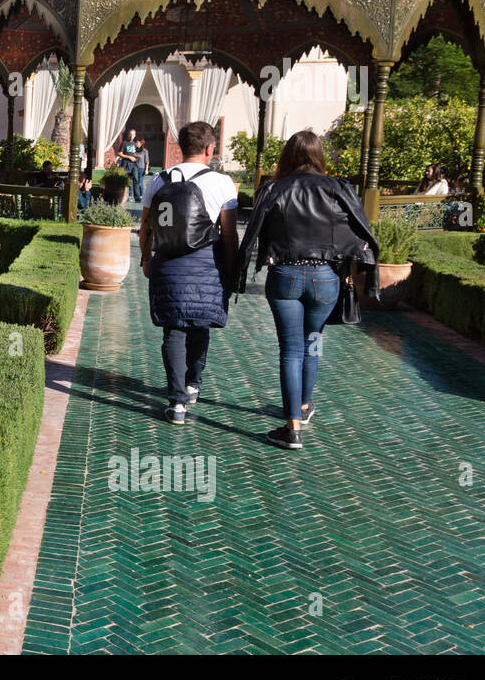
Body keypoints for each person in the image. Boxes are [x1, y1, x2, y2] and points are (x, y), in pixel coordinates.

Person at [234, 130, 379, 451]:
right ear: (319, 156)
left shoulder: (272, 189)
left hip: (285, 274)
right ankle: (303, 406)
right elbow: (357, 232)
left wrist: (237, 274)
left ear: (287, 156)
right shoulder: (339, 189)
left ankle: (292, 428)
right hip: (325, 278)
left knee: (290, 350)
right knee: (313, 342)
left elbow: (257, 234)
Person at [138, 121, 239, 424]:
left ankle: (177, 402)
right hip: (207, 265)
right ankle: (193, 383)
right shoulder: (222, 183)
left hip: (168, 263)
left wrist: (145, 259)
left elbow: (146, 226)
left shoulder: (158, 180)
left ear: (180, 148)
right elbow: (230, 233)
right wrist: (232, 270)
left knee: (174, 329)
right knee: (200, 324)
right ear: (210, 149)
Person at [117, 129, 140, 199]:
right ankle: (124, 196)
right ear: (128, 134)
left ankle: (137, 197)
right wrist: (129, 157)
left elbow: (133, 153)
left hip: (134, 164)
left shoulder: (134, 144)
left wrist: (136, 156)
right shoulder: (124, 143)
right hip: (126, 164)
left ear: (135, 135)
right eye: (130, 134)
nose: (131, 136)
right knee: (125, 180)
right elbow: (119, 153)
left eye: (133, 134)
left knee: (136, 180)